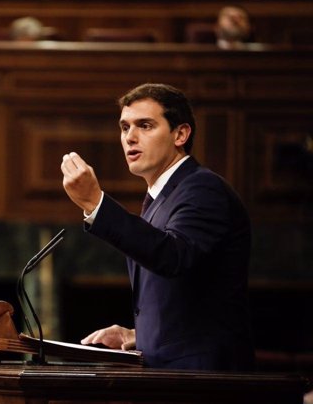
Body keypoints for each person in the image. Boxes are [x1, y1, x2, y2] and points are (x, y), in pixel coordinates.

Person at [60, 83, 254, 370]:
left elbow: (173, 257)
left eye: (145, 126)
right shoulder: (161, 197)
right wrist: (139, 335)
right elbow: (188, 298)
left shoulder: (202, 188)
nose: (130, 137)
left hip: (205, 381)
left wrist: (96, 203)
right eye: (124, 127)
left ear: (180, 134)